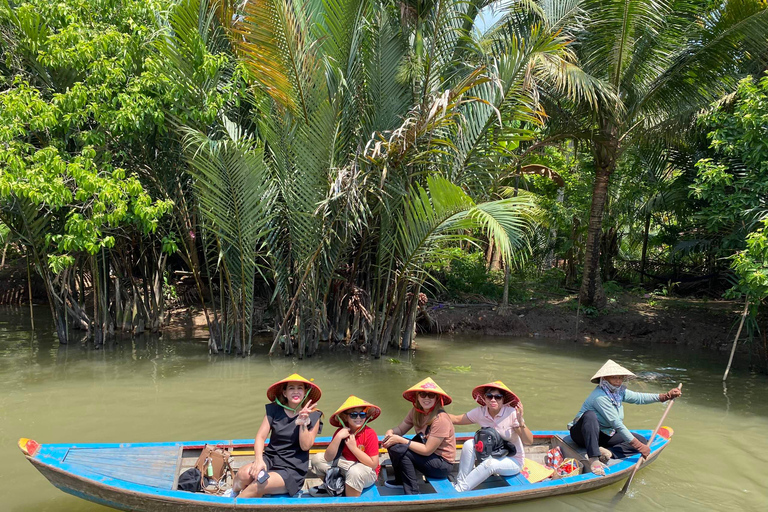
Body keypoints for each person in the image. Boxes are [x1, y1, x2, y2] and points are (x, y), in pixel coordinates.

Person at [569, 359, 682, 476]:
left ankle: (609, 453)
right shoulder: (599, 396)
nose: (618, 381)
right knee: (590, 415)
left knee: (643, 440)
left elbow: (639, 398)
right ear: (605, 379)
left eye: (620, 378)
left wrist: (666, 396)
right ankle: (593, 459)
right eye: (614, 378)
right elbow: (617, 424)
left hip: (602, 434)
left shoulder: (619, 392)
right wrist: (638, 446)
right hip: (582, 435)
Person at [232, 374, 323, 497]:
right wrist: (259, 460)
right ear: (284, 393)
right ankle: (232, 494)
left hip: (292, 469)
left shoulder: (313, 415)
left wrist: (303, 423)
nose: (296, 391)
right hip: (270, 459)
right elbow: (260, 437)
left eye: (300, 388)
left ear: (305, 392)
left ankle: (233, 506)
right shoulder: (274, 410)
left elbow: (305, 446)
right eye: (291, 388)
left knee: (259, 483)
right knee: (242, 475)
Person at [448, 380, 532, 492]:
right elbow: (456, 419)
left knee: (490, 463)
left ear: (503, 400)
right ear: (484, 398)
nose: (493, 400)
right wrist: (433, 413)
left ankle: (459, 490)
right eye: (489, 396)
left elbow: (528, 441)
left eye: (498, 397)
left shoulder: (511, 414)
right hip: (491, 454)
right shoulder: (480, 412)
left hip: (513, 460)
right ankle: (461, 481)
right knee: (469, 444)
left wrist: (521, 422)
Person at [382, 377, 456, 495]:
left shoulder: (441, 419)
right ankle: (400, 481)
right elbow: (401, 429)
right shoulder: (416, 411)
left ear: (437, 398)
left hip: (442, 464)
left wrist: (400, 440)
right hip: (428, 456)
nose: (426, 398)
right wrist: (390, 432)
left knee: (402, 448)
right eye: (422, 394)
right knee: (393, 444)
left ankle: (413, 492)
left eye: (431, 395)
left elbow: (427, 450)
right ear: (417, 396)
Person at [310, 396, 381, 497]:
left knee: (354, 472)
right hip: (345, 466)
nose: (358, 418)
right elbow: (328, 458)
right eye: (353, 415)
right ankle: (334, 486)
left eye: (362, 414)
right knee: (317, 459)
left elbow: (373, 465)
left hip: (366, 471)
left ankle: (349, 500)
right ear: (345, 417)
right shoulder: (341, 432)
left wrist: (353, 448)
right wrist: (338, 437)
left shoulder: (370, 434)